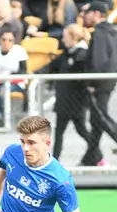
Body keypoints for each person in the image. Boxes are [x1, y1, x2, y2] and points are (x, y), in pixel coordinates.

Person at [80, 1, 117, 166]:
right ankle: (90, 157)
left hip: (100, 82)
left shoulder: (98, 33)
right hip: (109, 79)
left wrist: (92, 82)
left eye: (88, 12)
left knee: (101, 117)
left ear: (97, 14)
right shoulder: (112, 32)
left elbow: (99, 61)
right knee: (96, 120)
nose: (85, 16)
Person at [35, 24, 92, 162]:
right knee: (59, 131)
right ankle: (54, 161)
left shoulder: (82, 54)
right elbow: (50, 67)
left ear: (73, 38)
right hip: (64, 101)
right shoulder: (66, 54)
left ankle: (96, 154)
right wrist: (34, 74)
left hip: (76, 101)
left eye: (65, 37)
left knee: (81, 129)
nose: (63, 40)